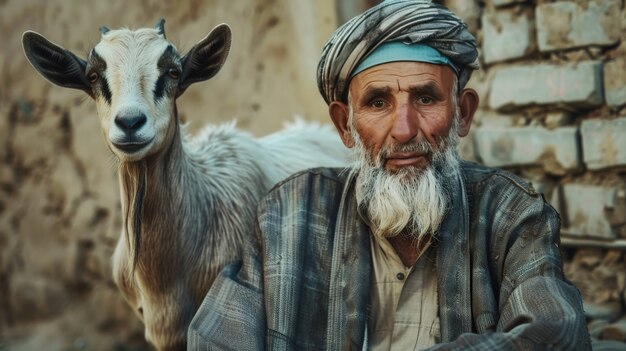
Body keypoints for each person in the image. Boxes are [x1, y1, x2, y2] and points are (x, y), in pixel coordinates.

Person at [188, 1, 591, 350]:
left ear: (462, 113)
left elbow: (556, 334)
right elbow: (216, 338)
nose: (404, 129)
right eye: (378, 102)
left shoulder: (512, 214)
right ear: (345, 125)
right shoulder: (288, 213)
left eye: (426, 98)